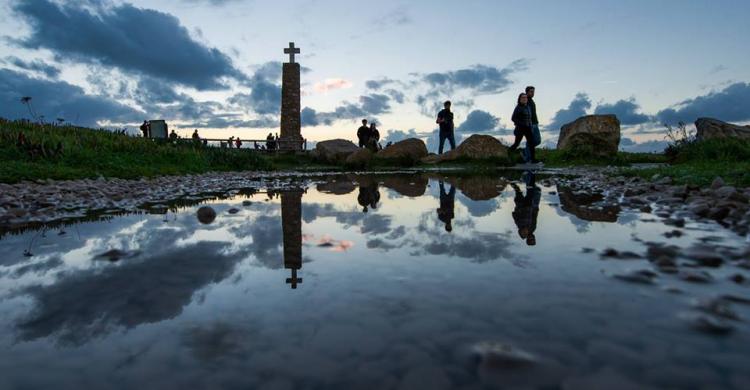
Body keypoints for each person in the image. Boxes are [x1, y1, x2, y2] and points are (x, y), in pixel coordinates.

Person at [511, 171, 541, 246]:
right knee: (531, 190)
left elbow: (514, 215)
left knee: (518, 190)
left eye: (531, 239)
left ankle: (513, 178)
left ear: (527, 239)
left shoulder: (521, 226)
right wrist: (534, 208)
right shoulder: (532, 228)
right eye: (533, 239)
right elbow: (534, 216)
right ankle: (530, 175)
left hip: (524, 205)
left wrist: (519, 209)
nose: (532, 238)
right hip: (529, 206)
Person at [509, 93, 536, 163]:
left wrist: (531, 126)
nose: (524, 99)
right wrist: (521, 124)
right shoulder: (518, 107)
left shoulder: (528, 107)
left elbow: (529, 118)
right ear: (520, 99)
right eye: (523, 98)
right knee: (517, 143)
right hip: (520, 128)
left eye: (526, 98)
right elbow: (513, 118)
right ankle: (508, 154)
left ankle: (533, 160)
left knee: (531, 143)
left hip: (528, 128)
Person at [523, 86, 542, 164]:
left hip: (535, 123)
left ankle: (525, 152)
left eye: (533, 92)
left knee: (537, 141)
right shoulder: (525, 101)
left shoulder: (532, 101)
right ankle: (529, 159)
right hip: (529, 125)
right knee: (530, 141)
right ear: (527, 92)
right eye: (531, 91)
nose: (533, 93)